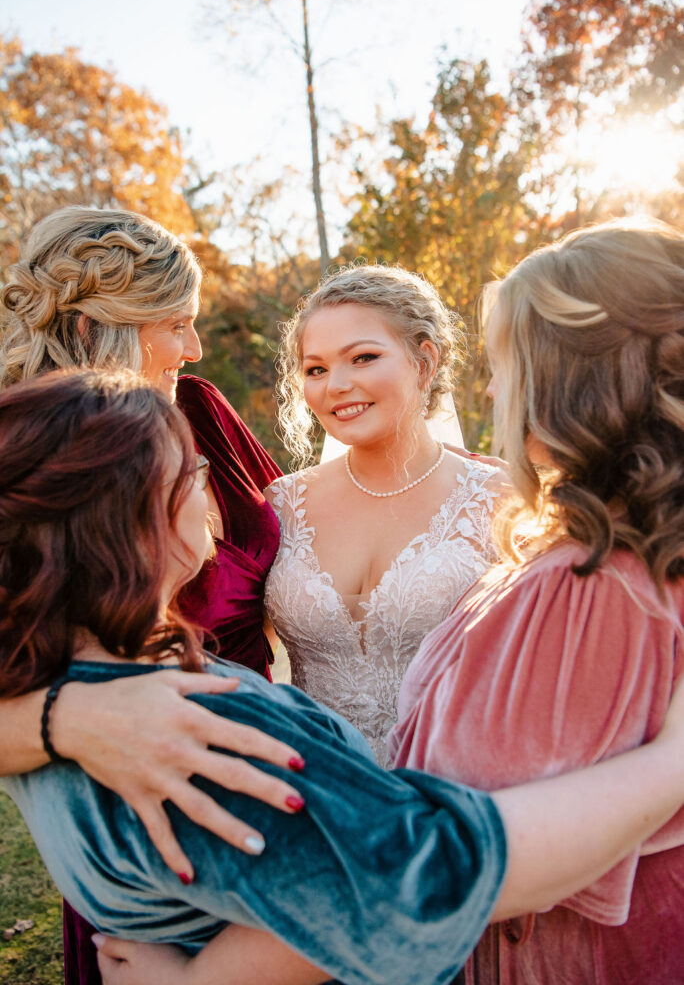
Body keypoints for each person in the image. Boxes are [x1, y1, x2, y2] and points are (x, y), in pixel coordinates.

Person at [3, 368, 684, 985]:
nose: (210, 486)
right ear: (136, 517)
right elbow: (420, 886)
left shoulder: (44, 687)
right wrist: (670, 765)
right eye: (194, 467)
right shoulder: (191, 725)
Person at [0, 205, 291, 985]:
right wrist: (78, 717)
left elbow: (293, 526)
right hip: (143, 828)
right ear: (103, 327)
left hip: (280, 775)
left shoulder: (202, 412)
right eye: (179, 324)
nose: (195, 349)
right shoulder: (20, 460)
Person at [388, 217, 684, 983]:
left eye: (504, 364)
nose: (490, 389)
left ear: (573, 382)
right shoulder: (646, 559)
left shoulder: (595, 587)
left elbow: (456, 855)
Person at [265, 265, 506, 764]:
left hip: (454, 793)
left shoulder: (500, 498)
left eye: (363, 358)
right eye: (316, 369)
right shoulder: (279, 505)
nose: (336, 385)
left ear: (424, 362)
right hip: (315, 794)